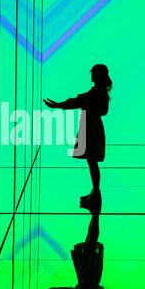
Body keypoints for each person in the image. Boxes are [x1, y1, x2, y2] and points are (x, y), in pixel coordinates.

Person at [44, 64, 112, 212]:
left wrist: (59, 105)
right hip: (92, 127)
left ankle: (96, 193)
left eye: (93, 72)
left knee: (92, 162)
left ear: (97, 75)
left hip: (91, 129)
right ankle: (95, 192)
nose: (91, 74)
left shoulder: (97, 92)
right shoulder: (99, 91)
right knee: (91, 162)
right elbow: (85, 103)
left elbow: (78, 102)